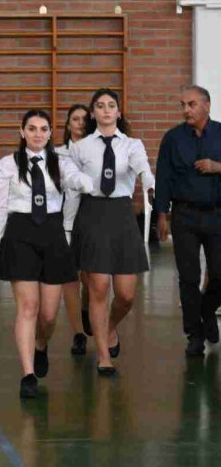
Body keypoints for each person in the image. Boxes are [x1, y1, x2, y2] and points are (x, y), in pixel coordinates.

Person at [0, 110, 92, 398]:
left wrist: (82, 181)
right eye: (32, 128)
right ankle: (28, 373)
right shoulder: (6, 165)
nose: (38, 134)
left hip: (52, 234)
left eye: (43, 129)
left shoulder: (61, 162)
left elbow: (73, 178)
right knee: (28, 307)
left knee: (49, 315)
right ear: (22, 131)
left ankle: (41, 345)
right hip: (20, 234)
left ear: (50, 133)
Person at [69, 88, 155, 375]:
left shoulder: (132, 144)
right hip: (92, 214)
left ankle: (108, 327)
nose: (106, 110)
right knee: (98, 287)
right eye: (100, 106)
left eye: (111, 105)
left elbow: (142, 167)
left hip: (121, 215)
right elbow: (70, 182)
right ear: (93, 113)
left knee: (126, 295)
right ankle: (103, 357)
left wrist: (149, 181)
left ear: (118, 112)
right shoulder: (80, 148)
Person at [154, 85, 221, 356]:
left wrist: (217, 167)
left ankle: (207, 310)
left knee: (219, 274)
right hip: (184, 216)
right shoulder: (172, 138)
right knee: (189, 277)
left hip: (217, 214)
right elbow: (163, 178)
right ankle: (194, 334)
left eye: (191, 104)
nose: (186, 110)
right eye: (183, 105)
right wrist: (162, 215)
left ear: (207, 105)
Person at [55, 104, 91, 355]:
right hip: (65, 224)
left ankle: (87, 311)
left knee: (90, 280)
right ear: (68, 125)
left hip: (92, 223)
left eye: (84, 119)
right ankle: (78, 333)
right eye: (75, 119)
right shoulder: (57, 154)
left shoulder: (97, 152)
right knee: (69, 280)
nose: (79, 123)